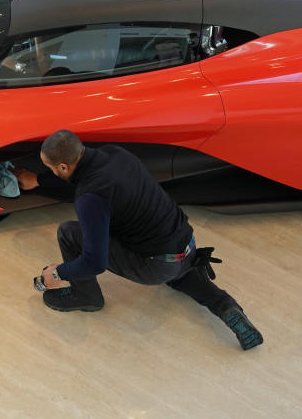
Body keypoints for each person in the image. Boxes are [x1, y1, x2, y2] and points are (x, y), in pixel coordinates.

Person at [14, 129, 263, 350]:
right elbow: (81, 183)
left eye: (50, 169)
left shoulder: (91, 198)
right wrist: (38, 181)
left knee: (69, 232)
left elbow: (94, 262)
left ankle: (86, 296)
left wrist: (58, 273)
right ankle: (226, 306)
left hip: (155, 265)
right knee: (179, 274)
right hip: (185, 245)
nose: (50, 172)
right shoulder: (116, 154)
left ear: (63, 168)